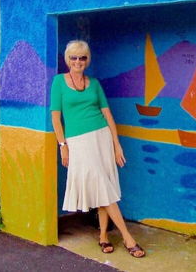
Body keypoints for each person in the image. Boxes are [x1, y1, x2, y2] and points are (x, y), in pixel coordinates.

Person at [50, 40, 145, 258]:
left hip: (101, 137)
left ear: (87, 60)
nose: (77, 61)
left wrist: (116, 144)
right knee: (102, 186)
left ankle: (103, 235)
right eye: (73, 57)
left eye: (82, 58)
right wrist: (62, 145)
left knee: (104, 186)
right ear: (68, 60)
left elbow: (107, 114)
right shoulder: (58, 82)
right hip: (78, 142)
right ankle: (127, 237)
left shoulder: (94, 83)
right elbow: (56, 118)